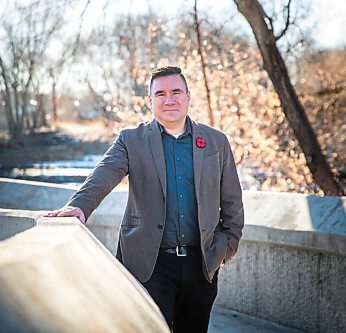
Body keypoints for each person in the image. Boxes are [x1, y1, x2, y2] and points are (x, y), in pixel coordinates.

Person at [44, 66, 244, 332]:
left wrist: (226, 246)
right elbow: (104, 173)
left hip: (202, 264)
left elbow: (232, 200)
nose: (169, 99)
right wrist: (79, 206)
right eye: (160, 94)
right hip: (150, 264)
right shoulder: (131, 140)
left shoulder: (216, 142)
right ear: (150, 101)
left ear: (188, 97)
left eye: (176, 92)